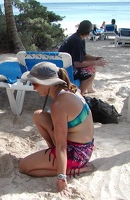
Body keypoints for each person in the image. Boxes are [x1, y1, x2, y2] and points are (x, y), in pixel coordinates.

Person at [19, 62, 94, 195]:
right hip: (86, 147)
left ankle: (71, 170)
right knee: (39, 116)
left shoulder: (59, 105)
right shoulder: (71, 89)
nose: (33, 88)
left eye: (35, 84)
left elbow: (62, 147)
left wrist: (61, 179)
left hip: (76, 154)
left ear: (48, 83)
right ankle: (53, 159)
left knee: (24, 167)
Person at [58, 20, 108, 95]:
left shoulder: (78, 38)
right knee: (90, 71)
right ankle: (81, 94)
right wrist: (96, 62)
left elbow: (83, 55)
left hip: (64, 67)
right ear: (89, 31)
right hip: (66, 71)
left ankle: (90, 89)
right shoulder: (77, 41)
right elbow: (78, 64)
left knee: (92, 65)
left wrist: (96, 58)